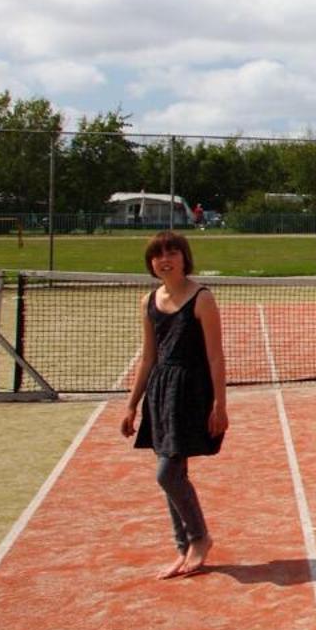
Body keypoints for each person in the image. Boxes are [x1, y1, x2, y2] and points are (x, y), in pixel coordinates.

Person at [119, 230, 226, 579]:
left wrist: (219, 405)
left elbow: (214, 356)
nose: (165, 259)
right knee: (173, 475)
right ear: (151, 262)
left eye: (172, 252)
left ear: (184, 257)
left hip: (191, 392)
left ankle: (200, 538)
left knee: (167, 473)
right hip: (160, 392)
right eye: (158, 254)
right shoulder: (149, 301)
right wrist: (132, 404)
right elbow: (148, 357)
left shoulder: (202, 298)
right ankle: (183, 550)